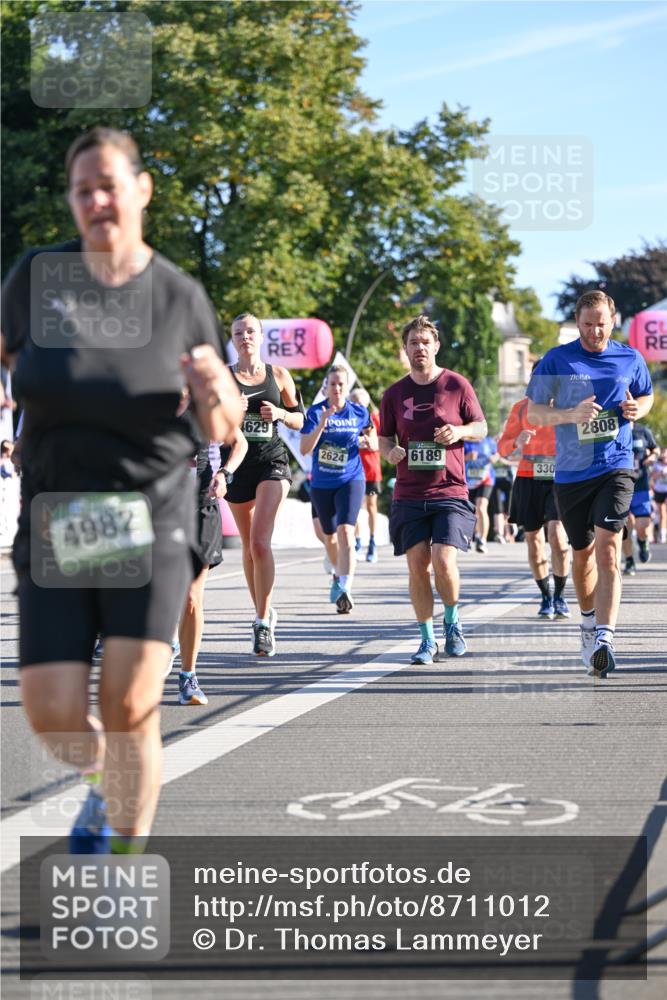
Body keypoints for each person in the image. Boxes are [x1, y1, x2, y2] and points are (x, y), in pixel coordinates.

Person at [0, 127, 243, 854]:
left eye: (109, 185)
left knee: (133, 698)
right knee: (52, 713)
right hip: (58, 516)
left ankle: (124, 863)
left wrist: (216, 395)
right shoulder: (37, 279)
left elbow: (223, 423)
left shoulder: (176, 295)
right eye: (82, 191)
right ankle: (107, 780)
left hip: (151, 510)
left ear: (140, 190)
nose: (97, 201)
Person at [527, 290, 653, 677]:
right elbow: (533, 413)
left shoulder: (630, 357)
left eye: (601, 323)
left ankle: (605, 636)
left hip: (615, 465)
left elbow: (647, 396)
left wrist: (637, 409)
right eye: (587, 324)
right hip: (571, 473)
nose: (595, 331)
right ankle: (587, 623)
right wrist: (571, 414)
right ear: (577, 322)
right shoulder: (557, 359)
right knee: (581, 555)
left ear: (613, 320)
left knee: (609, 548)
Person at [378, 315, 487, 663]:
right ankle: (427, 640)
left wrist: (460, 433)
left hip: (449, 490)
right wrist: (389, 451)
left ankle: (452, 621)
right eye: (413, 343)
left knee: (443, 561)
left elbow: (481, 427)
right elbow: (384, 437)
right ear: (406, 349)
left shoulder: (456, 385)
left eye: (425, 342)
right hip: (409, 493)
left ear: (436, 346)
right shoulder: (394, 393)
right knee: (416, 566)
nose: (420, 348)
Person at [223, 313, 305, 656]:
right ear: (233, 339)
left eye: (251, 331)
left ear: (261, 336)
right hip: (238, 466)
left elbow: (301, 420)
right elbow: (211, 424)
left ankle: (261, 622)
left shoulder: (279, 374)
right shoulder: (224, 378)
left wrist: (282, 415)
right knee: (247, 546)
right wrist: (233, 413)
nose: (245, 337)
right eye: (239, 333)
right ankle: (266, 610)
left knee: (259, 542)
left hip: (272, 462)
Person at [174, 395, 248, 704]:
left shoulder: (207, 405)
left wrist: (224, 474)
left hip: (202, 507)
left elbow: (239, 443)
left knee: (192, 595)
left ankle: (188, 676)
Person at [300, 364, 370, 613]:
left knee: (346, 534)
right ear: (326, 387)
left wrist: (368, 440)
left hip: (351, 479)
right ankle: (336, 575)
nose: (337, 388)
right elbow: (304, 449)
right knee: (328, 537)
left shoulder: (360, 412)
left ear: (346, 386)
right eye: (333, 384)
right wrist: (322, 423)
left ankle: (345, 588)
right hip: (322, 483)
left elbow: (371, 436)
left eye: (341, 384)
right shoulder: (314, 412)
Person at [498, 392, 571, 619]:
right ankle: (546, 596)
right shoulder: (520, 408)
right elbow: (502, 447)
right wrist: (516, 441)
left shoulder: (568, 405)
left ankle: (559, 595)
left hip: (559, 479)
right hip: (529, 478)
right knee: (534, 540)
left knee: (557, 535)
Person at [350, 386, 382, 563]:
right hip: (352, 468)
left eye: (361, 403)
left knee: (371, 506)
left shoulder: (375, 419)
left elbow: (379, 442)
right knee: (354, 507)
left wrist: (368, 440)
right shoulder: (347, 420)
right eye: (354, 403)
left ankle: (372, 541)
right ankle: (356, 541)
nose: (358, 406)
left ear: (367, 404)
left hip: (370, 469)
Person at [622, 421, 658, 575]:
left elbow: (654, 449)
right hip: (621, 486)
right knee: (626, 525)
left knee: (643, 525)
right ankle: (629, 561)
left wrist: (653, 456)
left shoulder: (643, 431)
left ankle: (643, 542)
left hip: (641, 486)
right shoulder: (614, 429)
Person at [464, 436, 498, 552]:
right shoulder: (464, 442)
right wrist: (466, 458)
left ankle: (482, 540)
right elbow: (453, 458)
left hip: (486, 479)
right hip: (467, 480)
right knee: (469, 510)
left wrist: (494, 458)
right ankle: (469, 537)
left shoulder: (489, 441)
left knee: (481, 507)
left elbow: (497, 454)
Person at [650, 446, 667, 543]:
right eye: (663, 453)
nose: (664, 455)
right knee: (661, 512)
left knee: (664, 511)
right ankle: (662, 533)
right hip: (659, 490)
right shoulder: (657, 464)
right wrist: (660, 473)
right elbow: (653, 477)